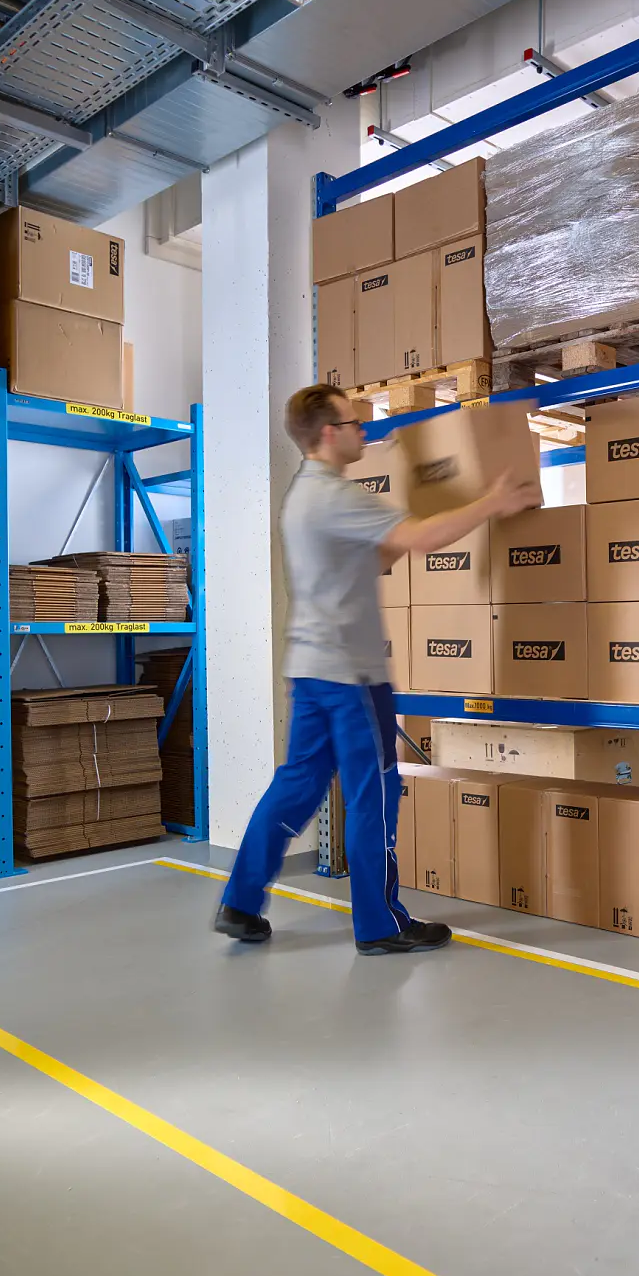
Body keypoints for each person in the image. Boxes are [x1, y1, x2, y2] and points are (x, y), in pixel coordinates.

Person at [215, 383, 540, 953]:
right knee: (376, 794)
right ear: (327, 434)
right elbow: (417, 541)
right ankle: (380, 924)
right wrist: (489, 503)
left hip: (311, 669)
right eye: (353, 422)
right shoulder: (338, 495)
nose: (363, 429)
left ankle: (240, 905)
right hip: (352, 675)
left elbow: (379, 554)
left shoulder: (305, 497)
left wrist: (435, 511)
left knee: (294, 788)